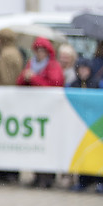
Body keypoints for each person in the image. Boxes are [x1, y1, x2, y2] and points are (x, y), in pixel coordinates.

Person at [16, 37, 64, 188]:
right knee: (35, 143)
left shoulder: (53, 65)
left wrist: (34, 78)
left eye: (42, 50)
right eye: (37, 50)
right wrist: (26, 77)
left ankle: (47, 177)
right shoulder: (31, 64)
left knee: (48, 143)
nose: (39, 53)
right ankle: (36, 175)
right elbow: (19, 82)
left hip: (49, 111)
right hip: (34, 111)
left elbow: (54, 85)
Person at [0, 27, 25, 185]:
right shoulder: (7, 52)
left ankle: (9, 171)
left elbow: (8, 79)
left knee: (8, 136)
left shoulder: (8, 54)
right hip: (5, 100)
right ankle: (4, 170)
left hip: (7, 101)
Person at [68, 57, 103, 193]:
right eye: (80, 69)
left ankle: (99, 181)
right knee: (83, 153)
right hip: (80, 126)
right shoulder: (73, 84)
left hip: (96, 125)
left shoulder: (97, 83)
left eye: (85, 69)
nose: (82, 72)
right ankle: (83, 180)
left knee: (97, 153)